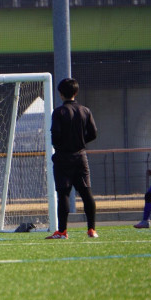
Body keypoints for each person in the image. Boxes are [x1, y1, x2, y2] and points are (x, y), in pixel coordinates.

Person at [47, 78, 98, 239]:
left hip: (63, 157)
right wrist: (80, 142)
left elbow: (55, 136)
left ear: (61, 94)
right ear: (76, 92)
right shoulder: (85, 110)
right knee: (86, 192)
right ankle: (91, 229)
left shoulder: (59, 112)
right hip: (80, 156)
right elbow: (93, 133)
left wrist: (63, 145)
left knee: (63, 194)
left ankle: (62, 231)